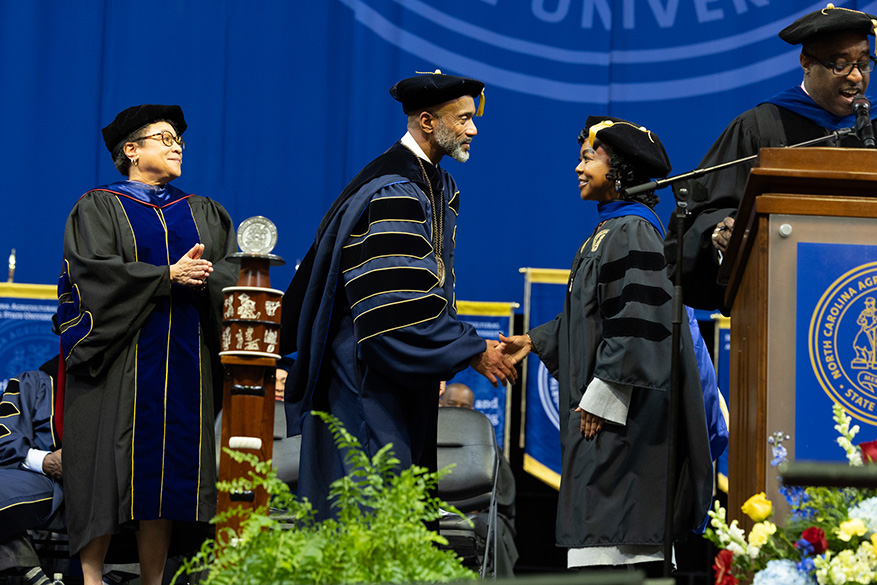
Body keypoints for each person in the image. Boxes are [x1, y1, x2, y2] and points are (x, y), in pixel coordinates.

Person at [279, 71, 518, 517]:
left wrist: (450, 348)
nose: (473, 129)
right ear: (428, 121)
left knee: (399, 505)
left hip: (397, 375)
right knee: (370, 508)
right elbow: (398, 304)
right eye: (463, 119)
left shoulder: (436, 184)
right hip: (366, 373)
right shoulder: (395, 187)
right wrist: (468, 349)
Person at [499, 117, 713, 576]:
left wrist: (605, 394)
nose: (577, 169)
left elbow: (641, 323)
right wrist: (535, 340)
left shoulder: (632, 231)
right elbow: (594, 316)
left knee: (620, 543)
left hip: (624, 425)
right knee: (601, 536)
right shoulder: (607, 233)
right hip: (611, 419)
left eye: (587, 159)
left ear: (620, 170)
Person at [56, 104, 236, 585]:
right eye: (163, 137)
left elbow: (231, 276)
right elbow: (92, 276)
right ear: (130, 151)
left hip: (185, 365)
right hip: (118, 364)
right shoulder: (98, 207)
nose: (177, 144)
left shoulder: (202, 212)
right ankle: (91, 579)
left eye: (179, 138)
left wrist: (206, 275)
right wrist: (165, 276)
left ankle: (154, 581)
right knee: (101, 473)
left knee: (167, 478)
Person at [665, 4, 877, 313]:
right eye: (839, 64)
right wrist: (720, 233)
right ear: (806, 62)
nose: (856, 76)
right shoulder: (760, 128)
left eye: (864, 62)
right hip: (781, 304)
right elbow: (703, 214)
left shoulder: (872, 130)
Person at [0, 357, 61, 585]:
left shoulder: (125, 385)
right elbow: (5, 437)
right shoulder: (33, 382)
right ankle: (34, 575)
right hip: (42, 481)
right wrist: (43, 460)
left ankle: (109, 579)